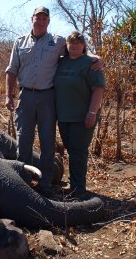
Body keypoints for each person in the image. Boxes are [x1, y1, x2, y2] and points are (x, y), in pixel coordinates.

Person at [5, 6, 102, 197]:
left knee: (48, 141)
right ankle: (23, 183)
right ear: (31, 19)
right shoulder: (20, 42)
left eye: (44, 18)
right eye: (37, 17)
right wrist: (9, 95)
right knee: (23, 140)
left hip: (48, 97)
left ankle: (45, 185)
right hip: (25, 96)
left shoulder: (57, 42)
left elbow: (77, 49)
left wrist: (95, 57)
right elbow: (11, 70)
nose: (40, 21)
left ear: (48, 22)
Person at [54, 31, 105, 199]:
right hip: (64, 116)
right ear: (66, 46)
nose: (74, 46)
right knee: (71, 150)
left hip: (83, 116)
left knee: (79, 151)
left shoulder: (91, 63)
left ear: (83, 46)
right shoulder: (61, 63)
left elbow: (98, 89)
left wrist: (92, 112)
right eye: (71, 43)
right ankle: (73, 184)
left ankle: (79, 189)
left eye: (78, 43)